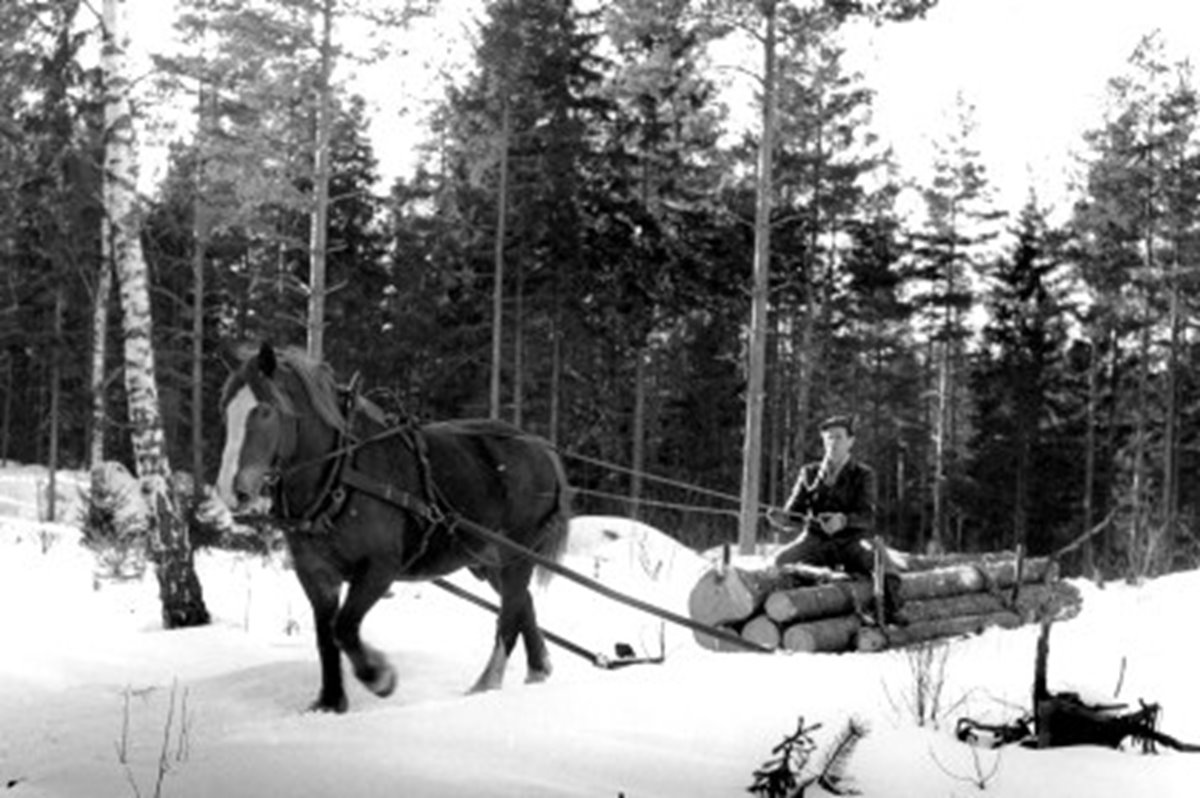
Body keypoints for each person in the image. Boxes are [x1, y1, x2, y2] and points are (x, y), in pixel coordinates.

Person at [768, 414, 904, 623]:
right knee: (781, 561)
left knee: (880, 563)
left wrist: (843, 521)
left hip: (852, 541)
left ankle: (890, 612)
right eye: (828, 437)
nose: (833, 442)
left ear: (851, 441)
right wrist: (782, 520)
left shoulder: (863, 474)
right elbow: (795, 514)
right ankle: (794, 610)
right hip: (816, 540)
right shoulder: (809, 473)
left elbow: (867, 516)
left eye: (838, 437)